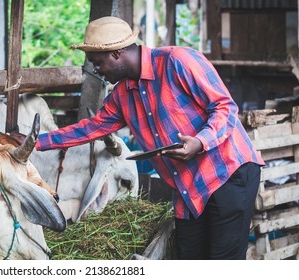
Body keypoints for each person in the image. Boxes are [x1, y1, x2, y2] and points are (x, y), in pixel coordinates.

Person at [35, 16, 264, 260]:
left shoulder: (178, 60)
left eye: (97, 62)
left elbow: (225, 108)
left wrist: (200, 142)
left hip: (225, 174)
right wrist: (35, 142)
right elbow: (90, 128)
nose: (96, 70)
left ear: (116, 54)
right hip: (188, 189)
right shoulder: (123, 95)